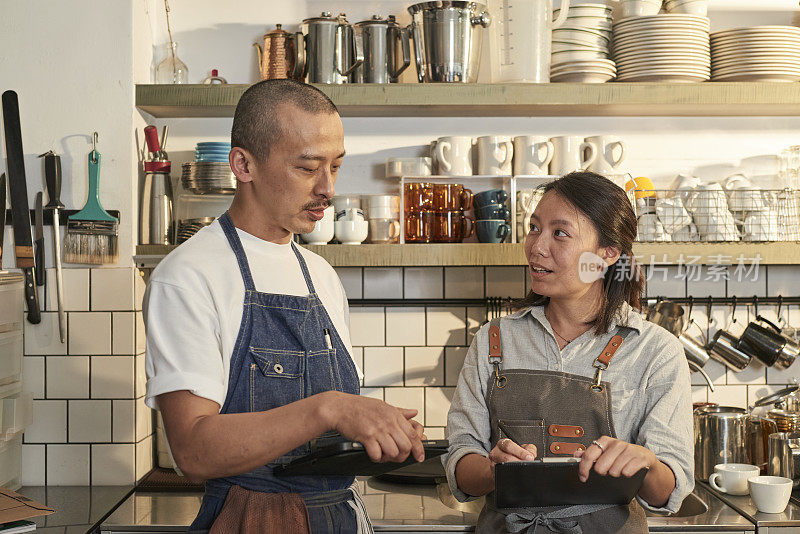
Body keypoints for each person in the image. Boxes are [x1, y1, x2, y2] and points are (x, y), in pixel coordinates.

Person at [143, 79, 425, 533]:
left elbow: (325, 434)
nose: (327, 187)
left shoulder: (322, 276)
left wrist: (375, 429)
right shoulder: (188, 276)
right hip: (252, 520)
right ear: (243, 165)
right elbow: (194, 452)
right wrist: (330, 409)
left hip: (340, 516)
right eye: (308, 167)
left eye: (335, 166)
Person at [444, 171, 694, 533]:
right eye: (534, 228)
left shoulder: (656, 351)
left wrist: (646, 463)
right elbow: (460, 462)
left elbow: (667, 491)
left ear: (607, 254)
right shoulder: (493, 340)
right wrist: (491, 470)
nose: (536, 246)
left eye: (559, 233)